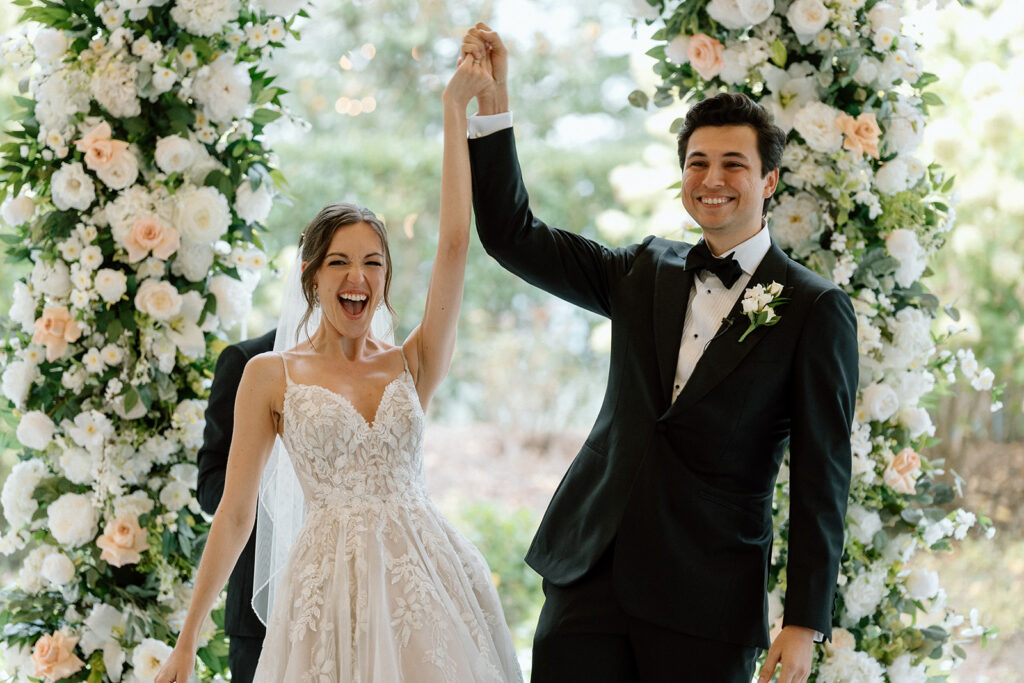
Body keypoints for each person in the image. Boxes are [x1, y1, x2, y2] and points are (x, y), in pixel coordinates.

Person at [462, 25, 857, 683]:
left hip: (706, 598)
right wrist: (496, 107)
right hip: (589, 570)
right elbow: (512, 236)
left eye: (733, 163)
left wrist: (804, 620)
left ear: (771, 181)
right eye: (697, 162)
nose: (712, 179)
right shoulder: (644, 268)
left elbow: (823, 473)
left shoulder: (814, 309)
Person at [156, 53, 522, 683]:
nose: (358, 277)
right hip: (328, 596)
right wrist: (186, 640)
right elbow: (236, 514)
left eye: (373, 263)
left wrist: (455, 110)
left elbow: (456, 243)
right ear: (312, 277)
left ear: (384, 277)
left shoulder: (415, 362)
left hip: (427, 582)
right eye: (339, 263)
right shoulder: (270, 375)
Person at [196, 329, 276, 683]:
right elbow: (209, 485)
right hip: (255, 614)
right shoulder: (245, 359)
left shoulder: (371, 363)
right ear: (307, 273)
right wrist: (274, 485)